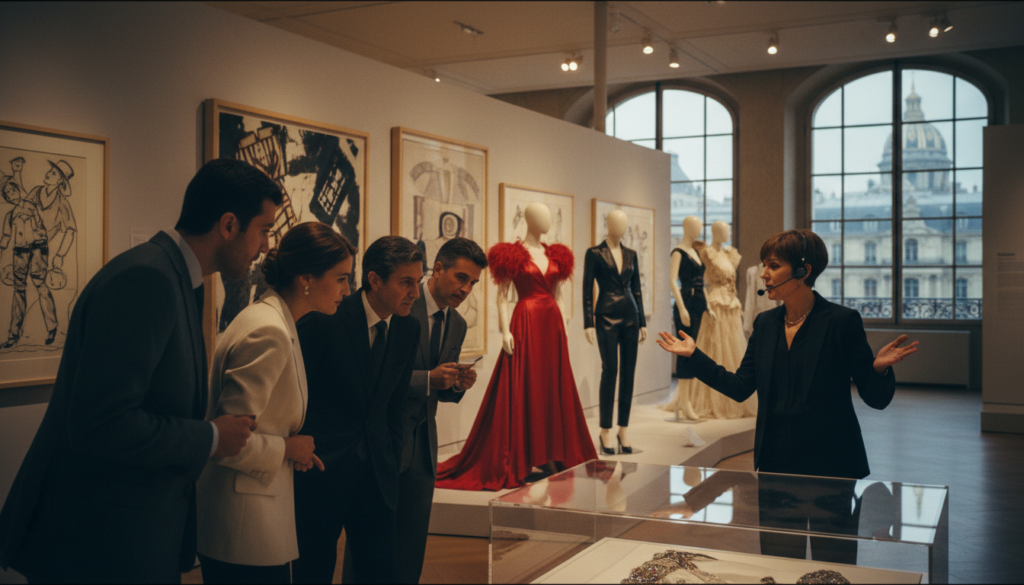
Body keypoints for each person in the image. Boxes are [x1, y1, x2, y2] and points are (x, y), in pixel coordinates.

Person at [0, 158, 282, 583]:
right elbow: (101, 423)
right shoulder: (147, 279)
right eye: (263, 230)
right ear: (228, 225)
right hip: (98, 543)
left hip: (125, 534)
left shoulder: (176, 277)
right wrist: (212, 437)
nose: (264, 247)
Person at [656, 228, 918, 563]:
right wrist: (695, 356)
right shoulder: (765, 324)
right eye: (764, 264)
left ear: (803, 271)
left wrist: (877, 369)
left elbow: (875, 398)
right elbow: (739, 388)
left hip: (831, 467)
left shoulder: (841, 321)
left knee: (831, 564)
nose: (763, 273)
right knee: (779, 562)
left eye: (773, 265)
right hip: (776, 464)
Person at [196, 222, 356, 584]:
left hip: (253, 514)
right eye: (341, 278)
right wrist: (287, 448)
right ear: (306, 279)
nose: (347, 291)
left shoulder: (276, 320)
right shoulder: (269, 329)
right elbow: (226, 441)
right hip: (242, 521)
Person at [436, 203, 597, 491]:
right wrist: (506, 331)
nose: (547, 220)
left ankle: (551, 454)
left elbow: (558, 294)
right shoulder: (511, 254)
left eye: (549, 214)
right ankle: (524, 456)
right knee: (527, 385)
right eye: (542, 215)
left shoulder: (555, 254)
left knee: (550, 387)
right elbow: (501, 297)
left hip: (552, 326)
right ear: (529, 219)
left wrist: (565, 330)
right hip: (526, 321)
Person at [293, 235, 423, 584]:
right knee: (313, 570)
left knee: (379, 571)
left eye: (419, 283)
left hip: (377, 475)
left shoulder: (408, 328)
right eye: (406, 283)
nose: (415, 293)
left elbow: (395, 405)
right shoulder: (325, 318)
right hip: (322, 471)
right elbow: (298, 398)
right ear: (374, 280)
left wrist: (392, 461)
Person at [583, 209, 647, 455]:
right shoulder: (595, 253)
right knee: (610, 370)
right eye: (616, 223)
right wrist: (588, 322)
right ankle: (605, 429)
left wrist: (642, 321)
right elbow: (587, 289)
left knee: (628, 373)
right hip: (606, 316)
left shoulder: (631, 254)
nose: (620, 227)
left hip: (630, 315)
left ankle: (624, 428)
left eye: (624, 223)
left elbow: (637, 288)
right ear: (607, 224)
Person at [0, 171, 50, 349]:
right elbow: (5, 237)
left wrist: (42, 246)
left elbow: (40, 227)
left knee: (40, 284)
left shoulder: (29, 205)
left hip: (36, 248)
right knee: (18, 289)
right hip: (19, 252)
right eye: (7, 193)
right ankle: (13, 334)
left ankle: (51, 327)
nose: (11, 194)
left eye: (13, 190)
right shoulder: (10, 216)